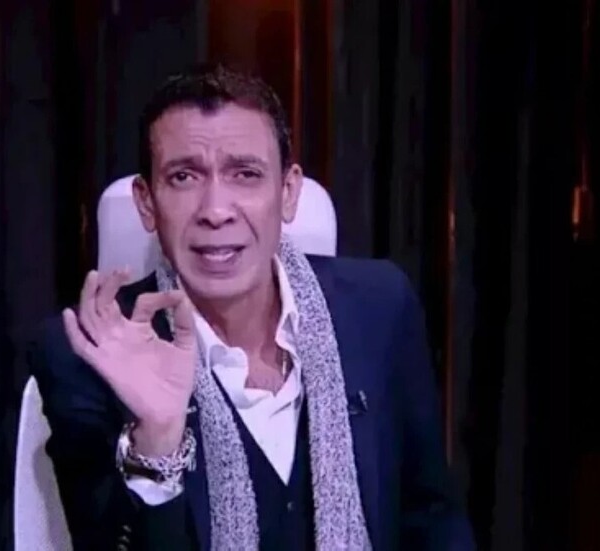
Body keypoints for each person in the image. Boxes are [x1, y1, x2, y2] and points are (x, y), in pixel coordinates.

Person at [27, 64, 474, 550]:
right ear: (147, 202)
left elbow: (434, 521)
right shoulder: (86, 355)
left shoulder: (380, 308)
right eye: (183, 176)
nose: (216, 210)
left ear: (288, 192)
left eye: (245, 174)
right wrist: (157, 441)